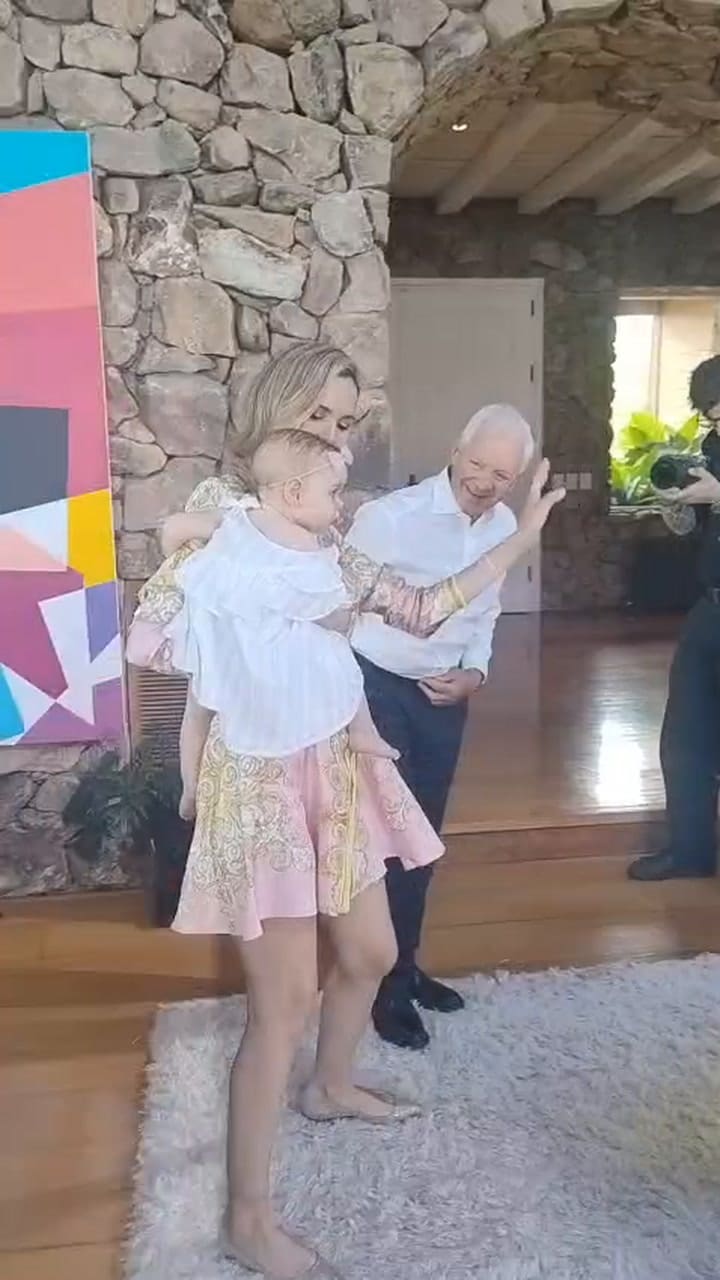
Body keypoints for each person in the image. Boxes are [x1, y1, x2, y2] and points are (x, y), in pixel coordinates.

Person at [126, 343, 564, 1280]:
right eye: (321, 418)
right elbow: (155, 641)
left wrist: (521, 536)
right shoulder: (224, 515)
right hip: (264, 783)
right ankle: (247, 1219)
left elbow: (419, 606)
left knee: (368, 952)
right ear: (277, 415)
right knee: (279, 1001)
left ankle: (328, 1087)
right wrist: (189, 561)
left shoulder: (332, 530)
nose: (336, 438)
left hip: (336, 761)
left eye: (344, 423)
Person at [344, 404, 536, 1050]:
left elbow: (484, 614)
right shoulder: (387, 520)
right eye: (477, 464)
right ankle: (379, 988)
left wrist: (474, 675)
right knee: (384, 845)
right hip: (375, 686)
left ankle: (404, 967)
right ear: (456, 448)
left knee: (423, 842)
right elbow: (341, 616)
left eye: (500, 475)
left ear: (516, 479)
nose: (483, 481)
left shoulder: (504, 525)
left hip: (443, 694)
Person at [157, 430, 397, 821]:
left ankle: (190, 785)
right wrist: (342, 618)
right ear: (295, 494)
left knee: (198, 705)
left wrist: (186, 563)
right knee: (339, 659)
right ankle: (362, 729)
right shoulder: (306, 545)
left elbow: (176, 531)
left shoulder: (237, 520)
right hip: (270, 657)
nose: (340, 504)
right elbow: (323, 609)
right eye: (334, 492)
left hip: (224, 648)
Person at [629, 355, 720, 882]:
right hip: (710, 607)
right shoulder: (712, 452)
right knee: (685, 736)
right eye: (711, 416)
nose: (717, 425)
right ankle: (689, 852)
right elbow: (695, 529)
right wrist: (676, 505)